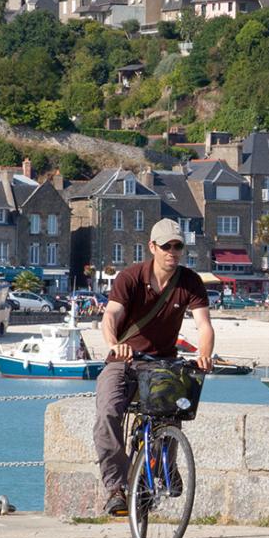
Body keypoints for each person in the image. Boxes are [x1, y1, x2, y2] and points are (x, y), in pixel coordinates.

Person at [94, 218, 215, 516]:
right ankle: (116, 487)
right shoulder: (131, 277)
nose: (173, 252)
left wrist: (205, 353)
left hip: (163, 361)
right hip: (125, 360)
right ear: (152, 247)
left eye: (178, 246)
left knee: (175, 409)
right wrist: (114, 344)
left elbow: (204, 324)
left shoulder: (190, 281)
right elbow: (110, 315)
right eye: (166, 246)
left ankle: (167, 465)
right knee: (108, 413)